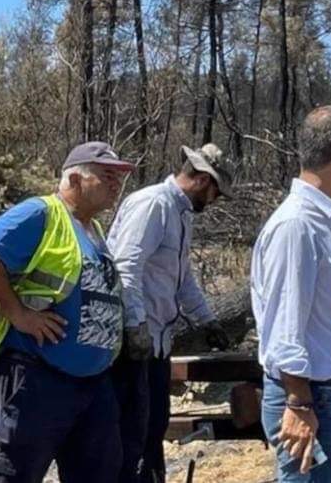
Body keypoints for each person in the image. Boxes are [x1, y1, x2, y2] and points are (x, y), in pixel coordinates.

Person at [0, 142, 134, 483]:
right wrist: (19, 314)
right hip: (36, 378)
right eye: (106, 175)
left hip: (91, 384)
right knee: (15, 476)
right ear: (74, 178)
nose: (116, 184)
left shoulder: (94, 230)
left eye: (120, 178)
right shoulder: (41, 213)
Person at [252, 105, 331, 482]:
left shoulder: (321, 221)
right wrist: (299, 402)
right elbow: (284, 327)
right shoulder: (297, 226)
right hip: (310, 398)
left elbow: (328, 316)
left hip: (327, 394)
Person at [107, 143, 234, 483]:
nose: (214, 202)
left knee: (152, 428)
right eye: (217, 193)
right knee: (131, 434)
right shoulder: (153, 205)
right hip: (132, 346)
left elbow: (182, 278)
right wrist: (135, 326)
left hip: (156, 345)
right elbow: (125, 267)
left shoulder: (180, 215)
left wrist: (207, 320)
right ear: (205, 181)